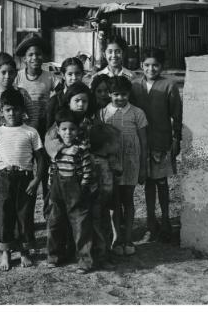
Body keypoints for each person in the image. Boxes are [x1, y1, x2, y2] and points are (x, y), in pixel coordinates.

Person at [0, 51, 37, 252]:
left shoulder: (22, 94)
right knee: (0, 195)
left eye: (11, 72)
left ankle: (17, 237)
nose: (7, 77)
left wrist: (25, 135)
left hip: (19, 145)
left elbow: (33, 116)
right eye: (3, 72)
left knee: (19, 197)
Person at [0, 88, 45, 271]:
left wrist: (36, 181)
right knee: (4, 216)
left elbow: (41, 159)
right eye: (8, 110)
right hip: (4, 179)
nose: (12, 114)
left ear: (23, 110)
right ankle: (5, 252)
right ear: (2, 111)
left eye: (16, 109)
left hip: (25, 179)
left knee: (24, 216)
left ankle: (24, 251)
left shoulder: (31, 132)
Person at [130, 48, 182, 242]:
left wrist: (176, 140)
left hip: (162, 142)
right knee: (148, 183)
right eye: (147, 65)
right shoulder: (135, 86)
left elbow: (177, 115)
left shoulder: (169, 85)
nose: (151, 69)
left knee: (162, 183)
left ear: (161, 66)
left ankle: (166, 220)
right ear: (141, 66)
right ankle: (151, 222)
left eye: (155, 65)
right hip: (142, 142)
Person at [96, 76, 147, 256]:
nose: (120, 98)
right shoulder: (103, 113)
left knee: (128, 200)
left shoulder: (137, 113)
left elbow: (143, 141)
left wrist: (143, 167)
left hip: (131, 162)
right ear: (110, 94)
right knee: (115, 203)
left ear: (129, 94)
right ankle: (117, 238)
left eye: (124, 94)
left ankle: (128, 238)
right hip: (112, 165)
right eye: (116, 94)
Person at [14, 33, 60, 223]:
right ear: (24, 58)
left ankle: (49, 216)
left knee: (47, 174)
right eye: (31, 54)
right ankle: (25, 221)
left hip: (45, 131)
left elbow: (59, 98)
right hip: (25, 133)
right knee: (26, 175)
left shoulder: (50, 78)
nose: (35, 58)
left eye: (39, 54)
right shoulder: (17, 78)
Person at [45, 107, 93, 274]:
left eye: (72, 129)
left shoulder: (81, 150)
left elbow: (87, 170)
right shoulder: (56, 151)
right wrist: (51, 187)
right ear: (58, 131)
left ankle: (84, 261)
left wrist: (83, 187)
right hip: (57, 192)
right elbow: (52, 169)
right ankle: (54, 256)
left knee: (80, 226)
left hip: (76, 192)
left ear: (77, 130)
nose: (68, 133)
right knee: (55, 224)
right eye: (64, 129)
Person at [88, 122, 122, 267]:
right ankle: (100, 258)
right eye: (117, 143)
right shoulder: (93, 160)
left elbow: (117, 173)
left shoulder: (109, 159)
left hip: (106, 201)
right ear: (107, 144)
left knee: (106, 226)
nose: (119, 146)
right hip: (95, 201)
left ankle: (106, 253)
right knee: (97, 229)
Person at [45, 56, 85, 130]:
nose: (74, 78)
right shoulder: (55, 101)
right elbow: (49, 129)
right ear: (63, 75)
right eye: (70, 74)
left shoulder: (87, 97)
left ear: (83, 74)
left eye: (77, 73)